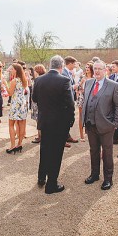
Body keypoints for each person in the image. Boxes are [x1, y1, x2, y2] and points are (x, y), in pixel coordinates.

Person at [32, 55, 75, 194]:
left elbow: (34, 99)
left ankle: (41, 177)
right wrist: (70, 120)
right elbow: (70, 103)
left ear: (50, 65)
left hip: (44, 121)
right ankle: (51, 184)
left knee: (44, 149)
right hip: (59, 123)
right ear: (61, 66)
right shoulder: (64, 80)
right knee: (56, 153)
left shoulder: (38, 80)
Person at [81, 61, 118, 190]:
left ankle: (108, 179)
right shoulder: (88, 83)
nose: (97, 71)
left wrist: (115, 123)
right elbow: (86, 101)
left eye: (100, 69)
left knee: (107, 153)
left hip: (106, 126)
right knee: (93, 151)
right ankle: (94, 174)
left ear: (105, 70)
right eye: (95, 69)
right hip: (90, 125)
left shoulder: (113, 85)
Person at [6, 62, 29, 153]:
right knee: (22, 123)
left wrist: (5, 84)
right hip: (22, 103)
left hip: (15, 103)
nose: (11, 70)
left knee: (11, 124)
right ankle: (19, 144)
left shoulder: (14, 81)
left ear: (16, 70)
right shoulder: (24, 80)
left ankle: (12, 146)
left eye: (12, 69)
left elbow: (10, 93)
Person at [61, 56, 80, 146]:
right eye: (74, 64)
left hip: (70, 98)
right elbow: (64, 88)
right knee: (64, 120)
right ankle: (63, 139)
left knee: (68, 119)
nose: (75, 66)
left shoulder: (69, 72)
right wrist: (73, 87)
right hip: (65, 101)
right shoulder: (64, 73)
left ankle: (67, 136)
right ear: (70, 63)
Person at [75, 62, 93, 142]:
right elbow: (77, 88)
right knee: (81, 116)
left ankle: (91, 134)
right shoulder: (83, 77)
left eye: (88, 67)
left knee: (91, 116)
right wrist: (80, 90)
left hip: (92, 98)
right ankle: (81, 135)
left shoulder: (95, 78)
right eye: (86, 67)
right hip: (82, 98)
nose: (87, 68)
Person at [31, 64, 47, 144]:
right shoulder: (45, 79)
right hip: (41, 102)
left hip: (37, 103)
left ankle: (40, 136)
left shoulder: (38, 80)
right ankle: (41, 135)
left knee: (39, 120)